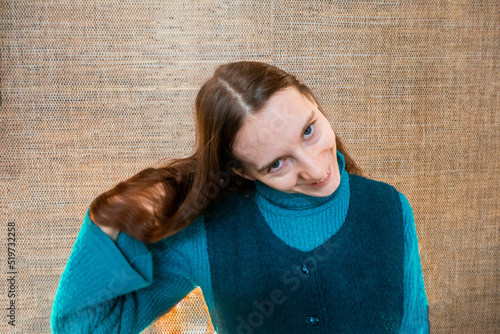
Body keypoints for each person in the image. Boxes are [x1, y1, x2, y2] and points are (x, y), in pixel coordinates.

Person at [51, 61, 429, 333]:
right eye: (277, 163)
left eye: (309, 130)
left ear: (311, 98)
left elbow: (414, 326)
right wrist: (107, 223)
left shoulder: (391, 208)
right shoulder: (206, 236)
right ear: (242, 171)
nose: (315, 170)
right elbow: (83, 328)